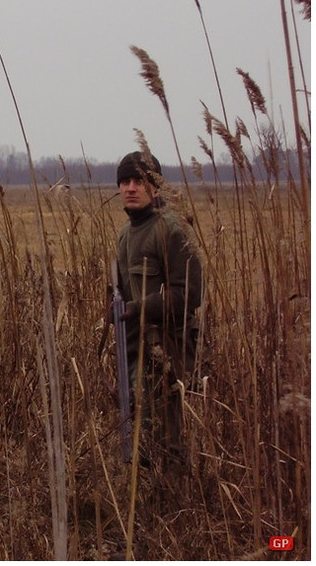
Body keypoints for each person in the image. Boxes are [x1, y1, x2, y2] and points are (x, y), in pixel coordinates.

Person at [114, 150, 203, 470]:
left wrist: (142, 308)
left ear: (154, 186)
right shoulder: (125, 234)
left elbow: (190, 295)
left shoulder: (172, 228)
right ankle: (150, 508)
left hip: (168, 349)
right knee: (140, 436)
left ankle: (177, 506)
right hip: (136, 349)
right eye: (125, 181)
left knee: (167, 437)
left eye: (139, 180)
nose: (131, 188)